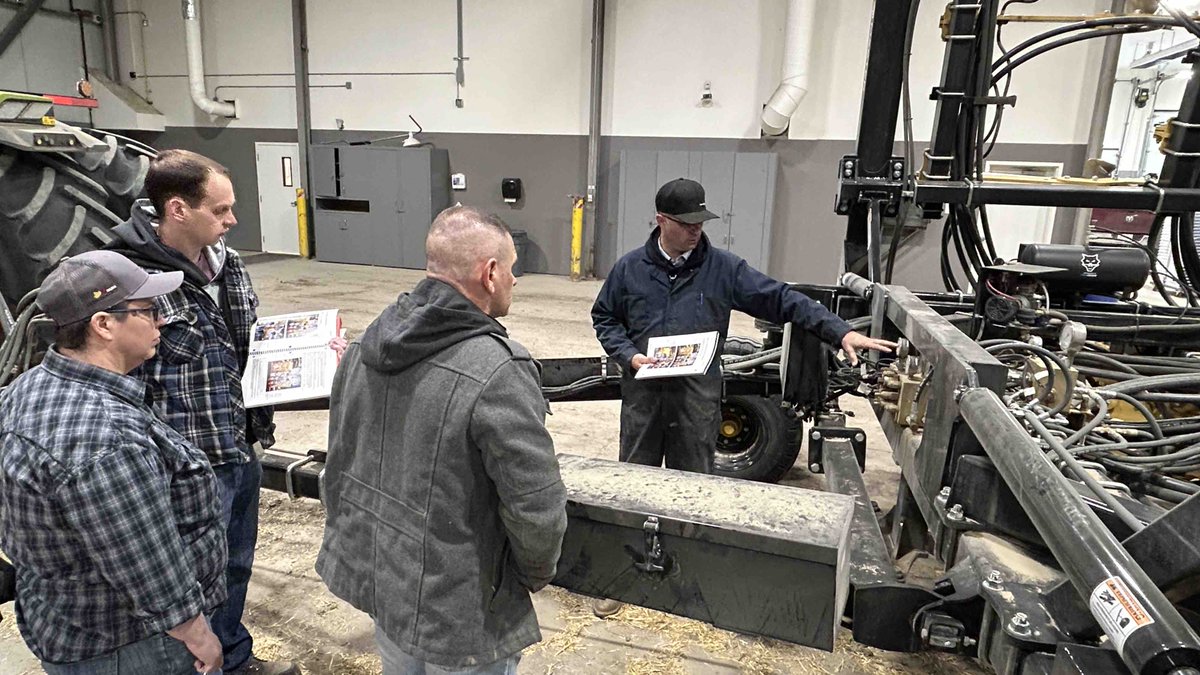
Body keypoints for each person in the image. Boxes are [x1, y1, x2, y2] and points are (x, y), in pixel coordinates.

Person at [590, 178, 895, 615]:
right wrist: (630, 357)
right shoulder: (629, 269)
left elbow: (783, 299)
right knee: (636, 484)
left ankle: (686, 580)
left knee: (693, 487)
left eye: (701, 221)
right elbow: (605, 318)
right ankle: (624, 577)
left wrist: (840, 330)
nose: (696, 230)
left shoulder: (723, 269)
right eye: (687, 222)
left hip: (697, 398)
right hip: (644, 395)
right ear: (661, 221)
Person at [317, 205, 568, 675]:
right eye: (513, 269)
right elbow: (536, 504)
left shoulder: (367, 342)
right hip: (461, 604)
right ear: (490, 273)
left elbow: (341, 460)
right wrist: (533, 573)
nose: (516, 281)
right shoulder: (497, 370)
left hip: (388, 582)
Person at [104, 149, 298, 675]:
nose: (233, 221)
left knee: (234, 566)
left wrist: (307, 357)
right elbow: (116, 378)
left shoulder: (227, 261)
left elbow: (248, 345)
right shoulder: (126, 277)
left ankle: (233, 657)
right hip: (184, 464)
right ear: (177, 209)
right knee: (186, 579)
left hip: (239, 443)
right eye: (221, 210)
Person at [0, 251, 226, 674]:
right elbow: (147, 560)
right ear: (103, 325)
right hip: (131, 645)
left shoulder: (29, 386)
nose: (161, 322)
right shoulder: (107, 437)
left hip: (68, 625)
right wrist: (198, 634)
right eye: (148, 311)